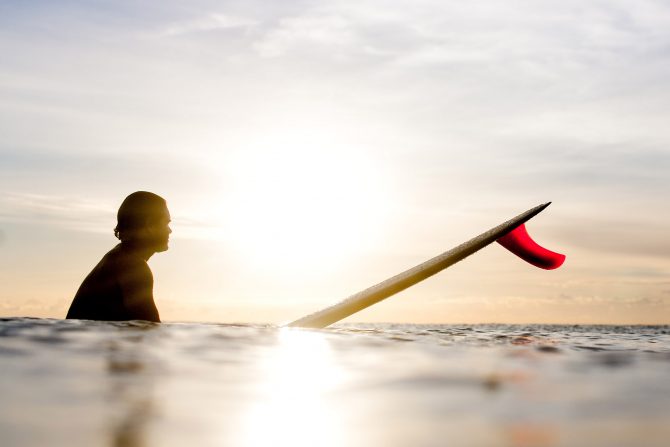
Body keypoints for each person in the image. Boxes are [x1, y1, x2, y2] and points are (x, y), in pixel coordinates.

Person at [66, 191, 171, 322]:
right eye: (166, 223)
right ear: (149, 225)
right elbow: (150, 329)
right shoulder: (133, 266)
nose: (170, 230)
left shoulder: (118, 257)